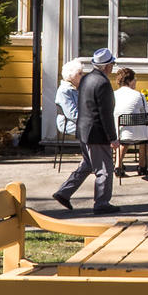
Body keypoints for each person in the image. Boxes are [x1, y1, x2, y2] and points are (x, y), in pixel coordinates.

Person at [52, 49, 119, 214]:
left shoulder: (87, 79)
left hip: (83, 131)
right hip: (97, 133)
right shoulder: (103, 83)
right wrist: (112, 137)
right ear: (107, 66)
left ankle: (64, 192)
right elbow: (105, 114)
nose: (113, 66)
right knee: (104, 169)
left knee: (87, 165)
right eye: (112, 63)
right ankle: (102, 203)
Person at [112, 67, 148, 178]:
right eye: (134, 79)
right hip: (137, 134)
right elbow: (147, 114)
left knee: (125, 135)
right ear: (130, 81)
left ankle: (118, 166)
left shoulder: (113, 94)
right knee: (144, 135)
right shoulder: (139, 95)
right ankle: (142, 166)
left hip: (117, 132)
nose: (136, 81)